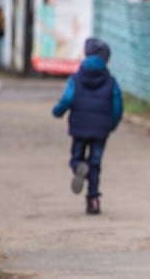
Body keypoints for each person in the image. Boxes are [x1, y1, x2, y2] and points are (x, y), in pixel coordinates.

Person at [52, 37, 124, 215]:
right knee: (95, 163)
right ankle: (93, 199)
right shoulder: (111, 82)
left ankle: (78, 167)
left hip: (79, 126)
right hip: (101, 130)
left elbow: (68, 99)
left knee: (77, 155)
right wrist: (111, 125)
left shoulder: (75, 79)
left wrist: (58, 111)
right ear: (106, 59)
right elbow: (117, 106)